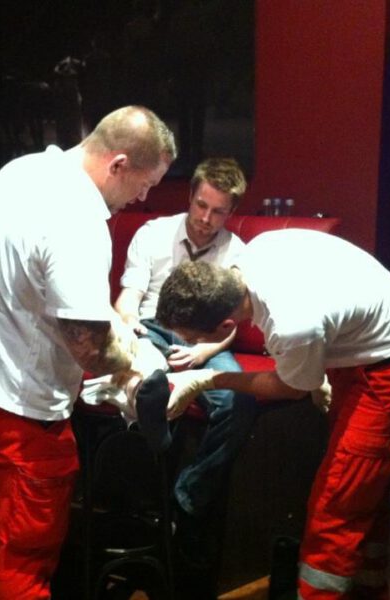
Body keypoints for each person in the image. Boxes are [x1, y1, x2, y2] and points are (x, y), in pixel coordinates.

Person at [0, 105, 176, 600]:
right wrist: (140, 359)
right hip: (20, 411)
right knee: (26, 558)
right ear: (119, 164)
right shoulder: (78, 219)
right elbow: (90, 349)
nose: (143, 197)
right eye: (145, 183)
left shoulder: (23, 170)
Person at [155, 229, 390, 600]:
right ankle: (369, 587)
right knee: (364, 484)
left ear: (226, 327)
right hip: (360, 346)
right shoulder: (257, 250)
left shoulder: (290, 324)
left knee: (336, 502)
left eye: (193, 339)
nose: (190, 346)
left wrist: (208, 378)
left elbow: (291, 388)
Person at [113, 157, 257, 575]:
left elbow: (232, 322)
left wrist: (203, 354)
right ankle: (140, 494)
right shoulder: (153, 233)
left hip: (207, 338)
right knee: (148, 372)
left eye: (218, 212)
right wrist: (127, 327)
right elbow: (129, 297)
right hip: (154, 325)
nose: (206, 219)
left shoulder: (237, 252)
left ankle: (186, 498)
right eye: (201, 205)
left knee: (238, 402)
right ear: (190, 196)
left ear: (231, 212)